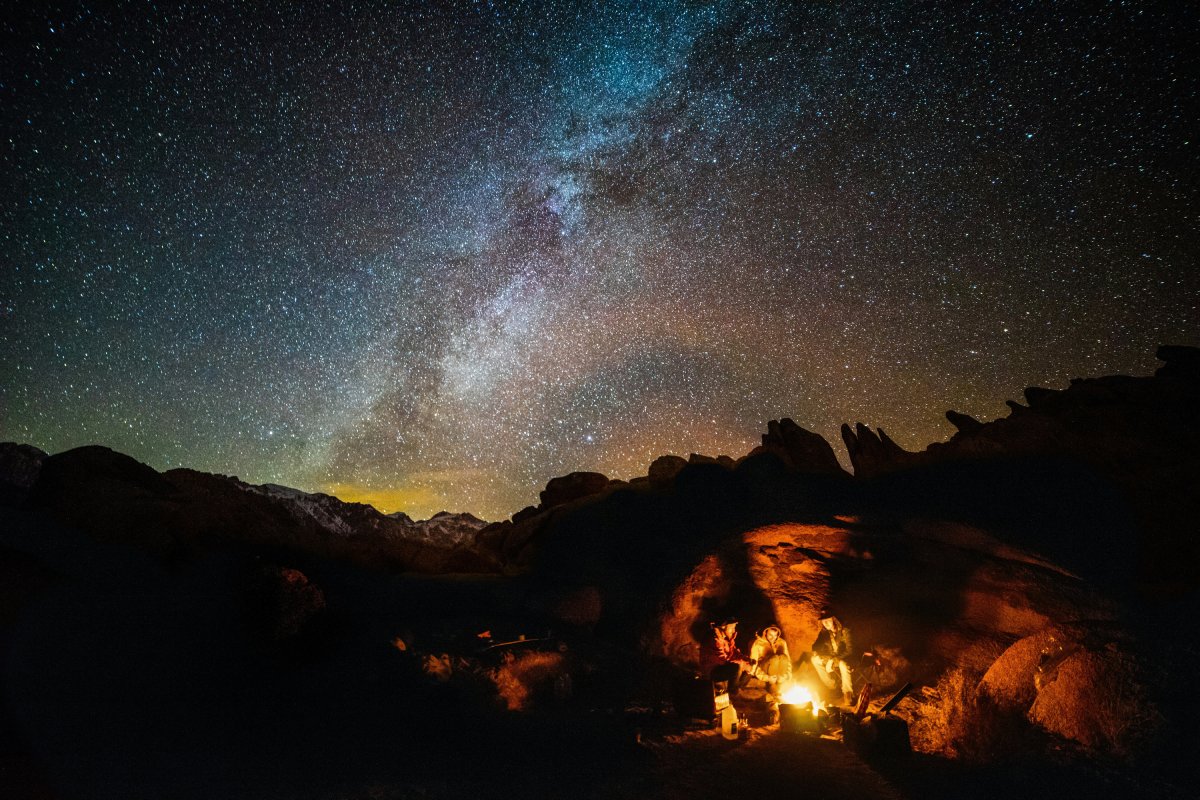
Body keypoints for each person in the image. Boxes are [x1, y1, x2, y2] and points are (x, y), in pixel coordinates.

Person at [810, 614, 855, 705]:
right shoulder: (824, 632)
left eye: (828, 620)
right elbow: (816, 645)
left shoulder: (845, 631)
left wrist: (833, 660)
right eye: (823, 621)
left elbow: (850, 650)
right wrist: (816, 652)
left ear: (834, 619)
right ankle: (833, 687)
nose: (825, 623)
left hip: (846, 657)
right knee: (814, 659)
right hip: (832, 657)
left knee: (842, 664)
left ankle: (847, 694)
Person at [703, 616, 749, 691]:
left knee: (748, 664)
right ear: (723, 627)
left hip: (721, 666)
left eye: (734, 628)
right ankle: (732, 693)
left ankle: (738, 689)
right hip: (712, 670)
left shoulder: (726, 638)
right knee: (737, 667)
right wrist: (742, 663)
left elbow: (733, 653)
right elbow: (722, 660)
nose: (734, 631)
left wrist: (746, 659)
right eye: (732, 628)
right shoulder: (715, 639)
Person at [750, 625, 792, 707]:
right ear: (765, 633)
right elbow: (753, 663)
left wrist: (787, 675)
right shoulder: (758, 643)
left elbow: (788, 661)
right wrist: (766, 677)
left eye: (775, 635)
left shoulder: (782, 642)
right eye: (770, 635)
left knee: (783, 657)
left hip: (779, 673)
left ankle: (780, 683)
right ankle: (772, 685)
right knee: (775, 658)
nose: (773, 638)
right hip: (766, 670)